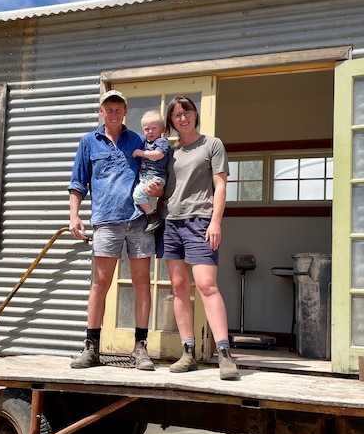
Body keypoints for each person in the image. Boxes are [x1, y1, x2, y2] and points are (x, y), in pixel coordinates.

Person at [68, 89, 160, 371]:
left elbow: (157, 170)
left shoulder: (138, 140)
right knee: (100, 284)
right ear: (101, 111)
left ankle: (141, 348)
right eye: (109, 109)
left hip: (137, 221)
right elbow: (77, 183)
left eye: (119, 109)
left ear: (125, 111)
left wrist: (158, 188)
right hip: (105, 221)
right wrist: (74, 216)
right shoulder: (88, 142)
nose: (114, 113)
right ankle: (91, 347)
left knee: (142, 283)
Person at [161, 95, 240, 380]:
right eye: (177, 115)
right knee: (179, 287)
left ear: (195, 114)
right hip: (170, 223)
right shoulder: (169, 152)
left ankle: (224, 354)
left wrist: (215, 222)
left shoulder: (212, 144)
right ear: (171, 121)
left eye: (187, 112)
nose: (183, 118)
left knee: (206, 285)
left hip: (200, 222)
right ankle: (188, 352)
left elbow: (220, 186)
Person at [132, 110, 170, 233]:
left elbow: (158, 155)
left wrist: (141, 153)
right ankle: (151, 216)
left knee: (137, 194)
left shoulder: (162, 142)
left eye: (154, 128)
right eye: (146, 129)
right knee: (143, 196)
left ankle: (152, 217)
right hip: (145, 177)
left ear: (162, 129)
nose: (150, 131)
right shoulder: (146, 143)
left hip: (156, 177)